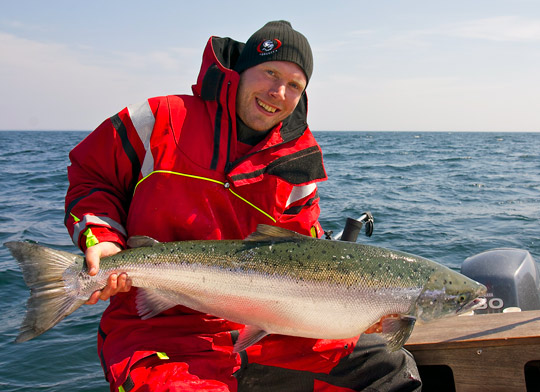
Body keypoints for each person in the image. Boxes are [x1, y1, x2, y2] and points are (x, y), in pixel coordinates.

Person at [65, 20, 422, 392]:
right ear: (240, 71)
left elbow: (303, 255)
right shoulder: (159, 119)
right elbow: (92, 174)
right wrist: (102, 237)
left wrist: (358, 312)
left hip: (260, 321)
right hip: (158, 326)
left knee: (390, 368)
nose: (278, 91)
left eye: (294, 85)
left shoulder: (298, 166)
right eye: (270, 72)